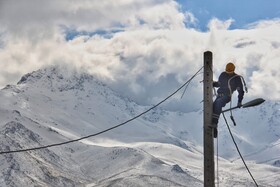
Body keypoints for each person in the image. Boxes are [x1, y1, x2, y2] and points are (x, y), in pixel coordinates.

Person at [211, 62, 245, 138]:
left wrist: (239, 101)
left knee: (218, 103)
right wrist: (213, 83)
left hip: (227, 96)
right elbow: (220, 84)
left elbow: (241, 91)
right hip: (219, 95)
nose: (229, 73)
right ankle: (214, 128)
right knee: (212, 107)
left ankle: (214, 124)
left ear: (233, 70)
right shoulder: (223, 75)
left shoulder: (236, 78)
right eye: (227, 72)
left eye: (230, 72)